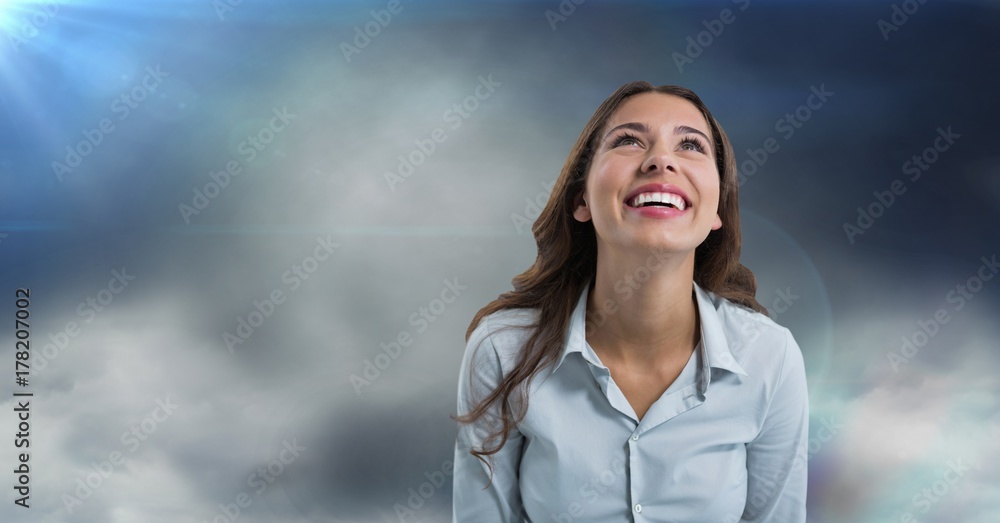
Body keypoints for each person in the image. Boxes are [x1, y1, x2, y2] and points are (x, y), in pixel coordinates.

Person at [451, 81, 809, 522]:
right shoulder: (501, 351)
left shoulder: (770, 358)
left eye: (691, 146)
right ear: (582, 198)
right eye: (628, 140)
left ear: (718, 208)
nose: (661, 159)